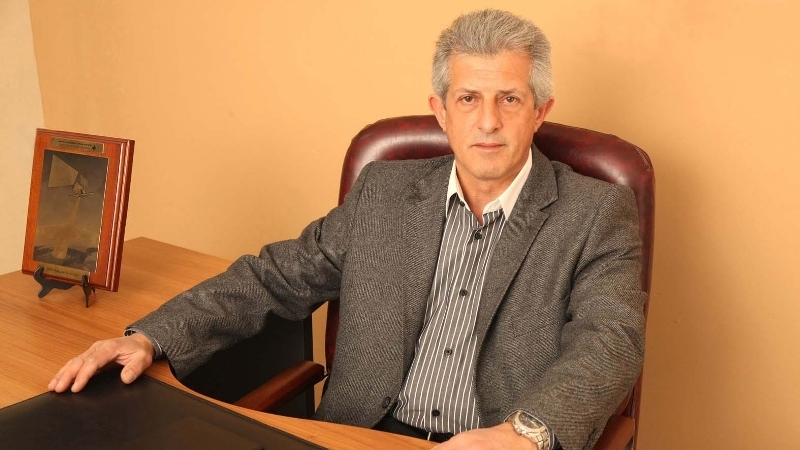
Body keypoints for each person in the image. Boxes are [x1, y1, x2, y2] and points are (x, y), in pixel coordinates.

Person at [49, 9, 645, 450]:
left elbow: (610, 339)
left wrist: (526, 433)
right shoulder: (384, 192)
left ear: (540, 110)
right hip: (358, 435)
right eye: (468, 98)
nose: (487, 122)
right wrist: (151, 337)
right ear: (440, 111)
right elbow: (273, 278)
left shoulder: (595, 212)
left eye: (509, 99)